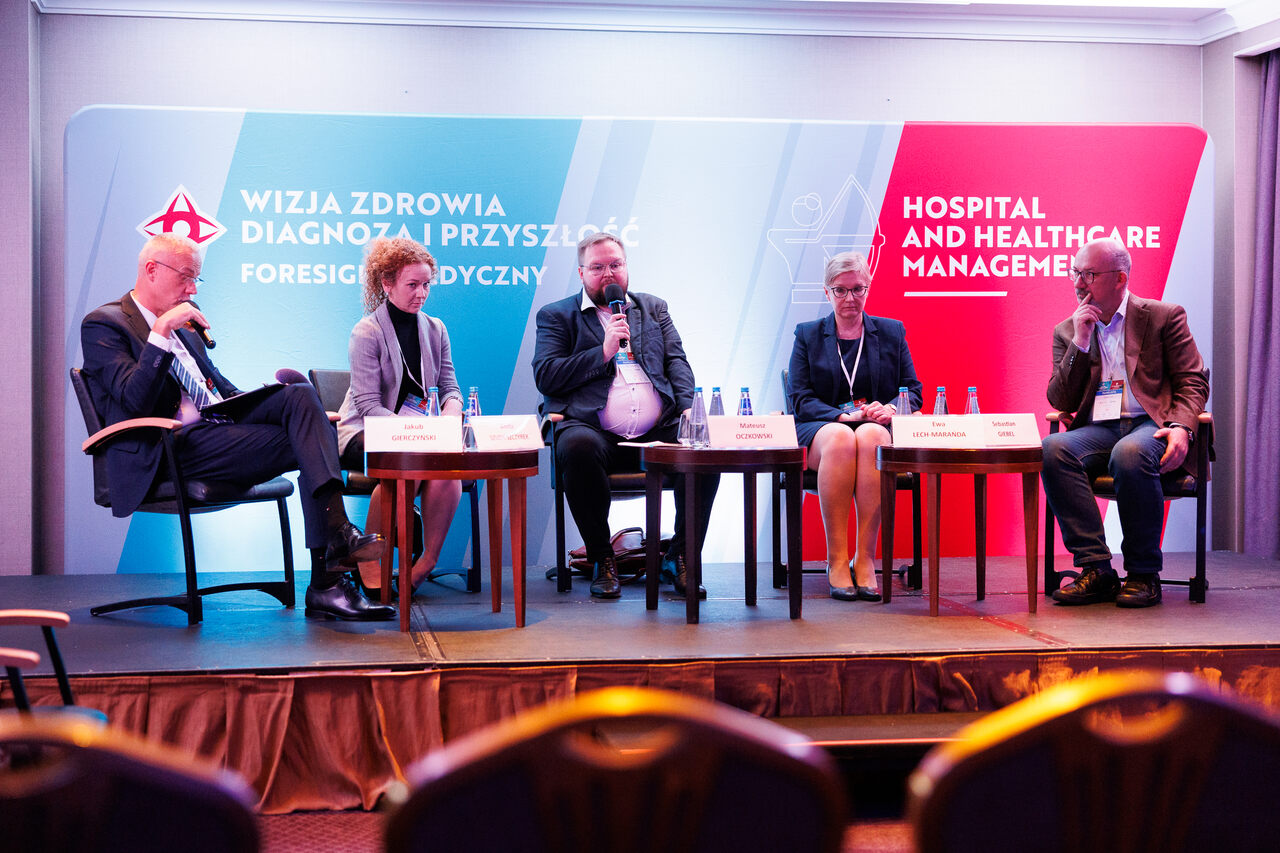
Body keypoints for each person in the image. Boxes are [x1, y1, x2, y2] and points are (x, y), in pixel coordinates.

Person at [80, 233, 394, 621]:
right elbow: (134, 401)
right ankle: (330, 575)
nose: (193, 289)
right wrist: (160, 333)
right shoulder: (104, 325)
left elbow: (220, 389)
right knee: (316, 437)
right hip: (169, 448)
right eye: (186, 277)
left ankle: (332, 559)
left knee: (301, 398)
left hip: (217, 431)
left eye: (196, 279)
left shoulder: (185, 321)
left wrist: (302, 415)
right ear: (151, 270)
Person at [532, 232, 719, 600]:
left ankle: (681, 557)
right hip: (594, 431)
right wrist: (602, 353)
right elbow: (546, 375)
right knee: (576, 445)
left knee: (704, 447)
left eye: (615, 265)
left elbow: (676, 362)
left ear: (626, 267)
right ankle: (603, 558)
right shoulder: (556, 315)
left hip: (657, 431)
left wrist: (687, 409)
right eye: (598, 267)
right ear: (582, 272)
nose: (608, 274)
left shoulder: (653, 308)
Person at [1041, 237, 1208, 608]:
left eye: (1088, 274)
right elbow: (1061, 400)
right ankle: (1096, 568)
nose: (1078, 283)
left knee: (1129, 453)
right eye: (1075, 273)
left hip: (1152, 422)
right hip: (1101, 428)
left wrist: (1182, 428)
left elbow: (1193, 380)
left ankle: (1143, 573)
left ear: (1120, 278)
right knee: (1053, 448)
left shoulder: (1163, 316)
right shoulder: (1068, 330)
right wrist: (1081, 342)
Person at [788, 252, 922, 601]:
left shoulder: (891, 332)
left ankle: (865, 559)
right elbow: (800, 398)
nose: (850, 298)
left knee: (872, 435)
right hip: (822, 428)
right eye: (841, 290)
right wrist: (840, 416)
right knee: (841, 438)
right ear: (827, 292)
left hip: (872, 428)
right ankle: (836, 560)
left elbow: (913, 391)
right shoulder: (807, 335)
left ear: (868, 288)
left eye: (857, 289)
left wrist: (890, 407)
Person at [336, 237, 464, 596]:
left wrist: (450, 415)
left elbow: (451, 388)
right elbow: (367, 406)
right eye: (412, 285)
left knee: (446, 470)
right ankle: (370, 562)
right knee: (408, 460)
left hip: (419, 436)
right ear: (387, 284)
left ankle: (426, 562)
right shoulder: (367, 331)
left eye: (426, 285)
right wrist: (420, 432)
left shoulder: (436, 328)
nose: (421, 293)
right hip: (363, 431)